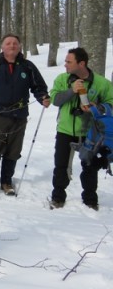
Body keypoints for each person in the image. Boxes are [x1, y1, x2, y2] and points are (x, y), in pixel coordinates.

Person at [0, 34, 50, 197]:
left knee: (13, 150)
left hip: (19, 115)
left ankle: (6, 182)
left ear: (20, 46)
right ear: (2, 47)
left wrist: (43, 97)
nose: (12, 46)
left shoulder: (27, 67)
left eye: (15, 43)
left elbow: (39, 86)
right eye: (8, 43)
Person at [49, 47, 113, 210]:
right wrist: (72, 90)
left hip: (90, 133)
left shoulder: (101, 83)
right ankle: (58, 197)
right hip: (65, 129)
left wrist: (97, 107)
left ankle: (90, 200)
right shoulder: (62, 79)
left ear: (81, 63)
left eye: (69, 62)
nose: (65, 65)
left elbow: (111, 103)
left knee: (90, 166)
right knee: (61, 166)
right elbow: (55, 99)